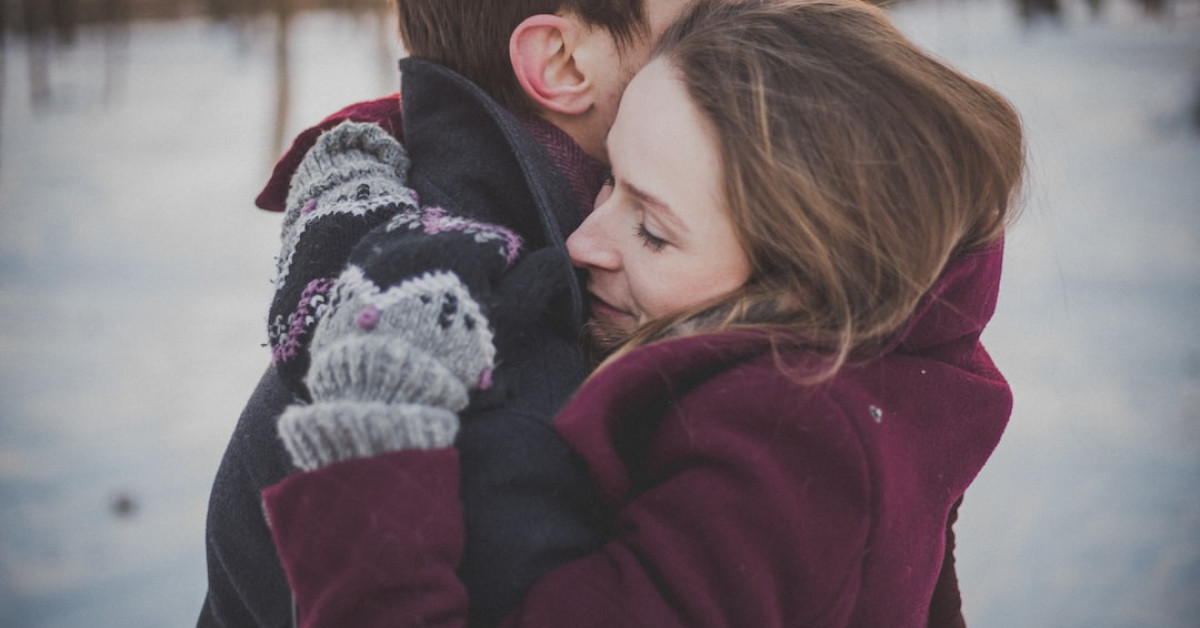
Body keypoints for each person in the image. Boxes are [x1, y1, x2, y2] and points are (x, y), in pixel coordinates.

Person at [260, 0, 1027, 626]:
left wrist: (366, 454)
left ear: (804, 279)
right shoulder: (877, 372)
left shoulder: (784, 463)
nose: (582, 244)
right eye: (609, 181)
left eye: (654, 231)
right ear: (561, 62)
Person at [198, 1, 696, 626]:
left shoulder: (397, 265)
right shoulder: (500, 377)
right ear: (562, 63)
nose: (736, 28)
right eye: (700, 16)